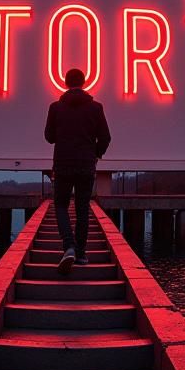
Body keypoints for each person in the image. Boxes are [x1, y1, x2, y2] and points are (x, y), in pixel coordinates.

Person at [44, 67, 111, 274]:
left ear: (65, 83)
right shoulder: (96, 108)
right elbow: (106, 137)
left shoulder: (55, 108)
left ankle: (69, 246)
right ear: (84, 83)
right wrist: (95, 154)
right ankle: (81, 253)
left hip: (63, 165)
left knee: (61, 206)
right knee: (83, 208)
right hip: (85, 165)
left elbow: (49, 137)